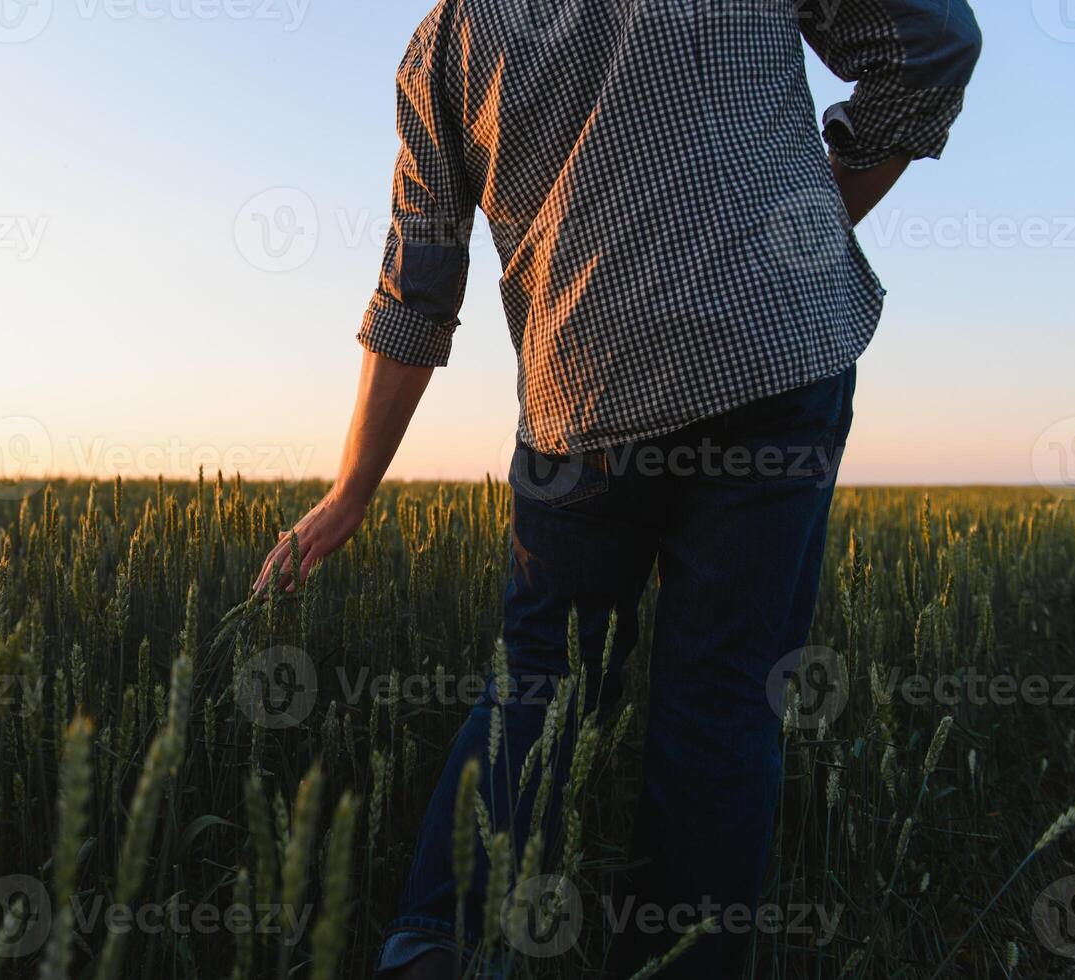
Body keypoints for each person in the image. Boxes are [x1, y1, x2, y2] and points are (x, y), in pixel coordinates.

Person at [253, 0, 981, 976]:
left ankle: (432, 947)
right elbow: (934, 44)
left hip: (581, 394)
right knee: (722, 702)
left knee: (539, 681)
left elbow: (416, 284)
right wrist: (804, 218)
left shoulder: (446, 42)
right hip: (771, 351)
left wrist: (350, 490)